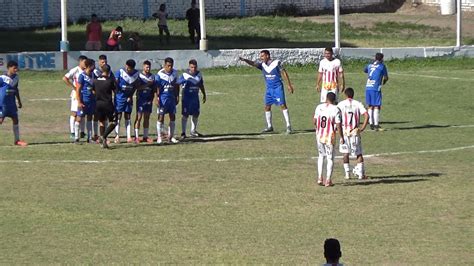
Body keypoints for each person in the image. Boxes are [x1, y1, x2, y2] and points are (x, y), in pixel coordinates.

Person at [239, 50, 294, 134]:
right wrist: (245, 60)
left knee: (282, 105)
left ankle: (288, 126)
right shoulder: (262, 65)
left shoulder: (276, 63)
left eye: (262, 56)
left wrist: (289, 85)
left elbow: (284, 72)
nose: (261, 58)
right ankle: (269, 126)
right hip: (269, 89)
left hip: (277, 88)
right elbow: (253, 63)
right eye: (261, 56)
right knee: (267, 106)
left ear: (267, 56)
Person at [337, 88, 369, 180]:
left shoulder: (341, 104)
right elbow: (366, 115)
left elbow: (336, 116)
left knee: (345, 153)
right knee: (358, 154)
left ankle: (347, 174)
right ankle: (360, 174)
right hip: (354, 132)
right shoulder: (358, 104)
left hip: (344, 132)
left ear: (345, 95)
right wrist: (362, 128)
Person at [313, 92, 343, 187]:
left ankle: (319, 178)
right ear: (334, 100)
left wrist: (318, 128)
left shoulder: (319, 107)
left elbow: (314, 121)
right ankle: (328, 180)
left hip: (319, 135)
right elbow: (338, 124)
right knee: (330, 158)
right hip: (330, 136)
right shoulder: (335, 109)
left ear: (326, 98)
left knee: (321, 156)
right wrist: (342, 136)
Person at [0, 61, 27, 146]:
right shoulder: (2, 78)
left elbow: (16, 89)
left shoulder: (16, 78)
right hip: (3, 104)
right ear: (9, 68)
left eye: (16, 68)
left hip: (12, 104)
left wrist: (19, 100)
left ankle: (17, 140)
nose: (16, 69)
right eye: (14, 68)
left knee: (15, 120)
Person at [178, 59, 206, 139]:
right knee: (185, 114)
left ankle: (193, 131)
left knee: (196, 114)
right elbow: (177, 82)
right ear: (189, 67)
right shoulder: (185, 75)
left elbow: (201, 84)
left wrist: (204, 94)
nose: (193, 69)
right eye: (192, 67)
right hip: (186, 98)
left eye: (195, 67)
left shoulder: (199, 74)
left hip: (195, 97)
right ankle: (183, 132)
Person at [114, 59, 140, 143]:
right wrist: (117, 93)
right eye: (128, 68)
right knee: (118, 116)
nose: (128, 70)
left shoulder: (136, 74)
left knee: (128, 116)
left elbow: (135, 86)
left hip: (128, 98)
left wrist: (130, 95)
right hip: (119, 97)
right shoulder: (120, 72)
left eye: (130, 69)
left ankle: (129, 136)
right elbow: (115, 84)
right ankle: (117, 136)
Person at [155, 57, 180, 144]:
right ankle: (159, 137)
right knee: (161, 117)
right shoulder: (159, 74)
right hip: (163, 99)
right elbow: (156, 87)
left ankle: (171, 136)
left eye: (171, 66)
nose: (170, 67)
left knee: (172, 116)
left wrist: (177, 96)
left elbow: (177, 85)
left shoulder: (175, 73)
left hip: (172, 99)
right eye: (168, 65)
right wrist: (156, 98)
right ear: (165, 65)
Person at [93, 64, 118, 149]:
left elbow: (92, 90)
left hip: (98, 104)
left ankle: (103, 143)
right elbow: (116, 91)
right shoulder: (110, 80)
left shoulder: (95, 80)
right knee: (114, 122)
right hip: (107, 104)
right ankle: (103, 136)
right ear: (109, 71)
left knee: (102, 122)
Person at [63, 55, 87, 139]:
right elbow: (65, 78)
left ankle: (82, 132)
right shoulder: (75, 70)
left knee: (83, 113)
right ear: (80, 62)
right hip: (76, 95)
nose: (85, 64)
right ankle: (72, 132)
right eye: (84, 62)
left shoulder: (86, 71)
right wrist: (73, 87)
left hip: (84, 94)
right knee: (74, 113)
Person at [364, 52, 389, 131]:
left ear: (375, 58)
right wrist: (384, 82)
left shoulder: (369, 65)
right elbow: (386, 77)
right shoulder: (382, 66)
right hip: (375, 87)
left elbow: (365, 70)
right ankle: (376, 124)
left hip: (368, 87)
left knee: (370, 105)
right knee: (377, 106)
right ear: (382, 59)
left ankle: (371, 123)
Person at [134, 60, 156, 144]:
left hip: (148, 100)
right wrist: (147, 84)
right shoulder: (139, 76)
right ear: (143, 67)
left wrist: (153, 98)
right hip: (141, 99)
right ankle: (136, 137)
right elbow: (137, 88)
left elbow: (154, 89)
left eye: (149, 67)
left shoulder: (152, 76)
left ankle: (145, 137)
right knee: (139, 117)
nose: (148, 68)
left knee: (147, 117)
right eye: (146, 67)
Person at [74, 59, 96, 143]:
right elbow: (78, 89)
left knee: (90, 117)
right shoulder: (82, 76)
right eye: (93, 65)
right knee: (79, 118)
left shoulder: (93, 75)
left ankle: (89, 138)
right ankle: (76, 137)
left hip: (91, 101)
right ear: (89, 66)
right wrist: (79, 102)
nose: (95, 67)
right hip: (84, 101)